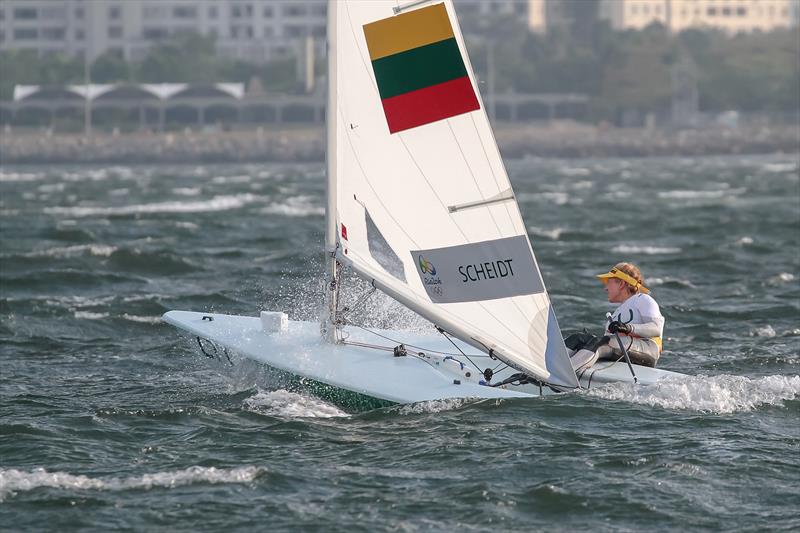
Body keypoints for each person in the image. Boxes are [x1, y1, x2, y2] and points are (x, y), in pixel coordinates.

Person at [567, 262, 664, 372]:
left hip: (648, 351)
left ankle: (564, 375)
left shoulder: (643, 299)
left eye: (609, 282)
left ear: (622, 283)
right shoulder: (618, 311)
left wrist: (628, 327)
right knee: (578, 339)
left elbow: (656, 328)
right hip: (622, 349)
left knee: (600, 342)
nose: (606, 288)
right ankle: (550, 371)